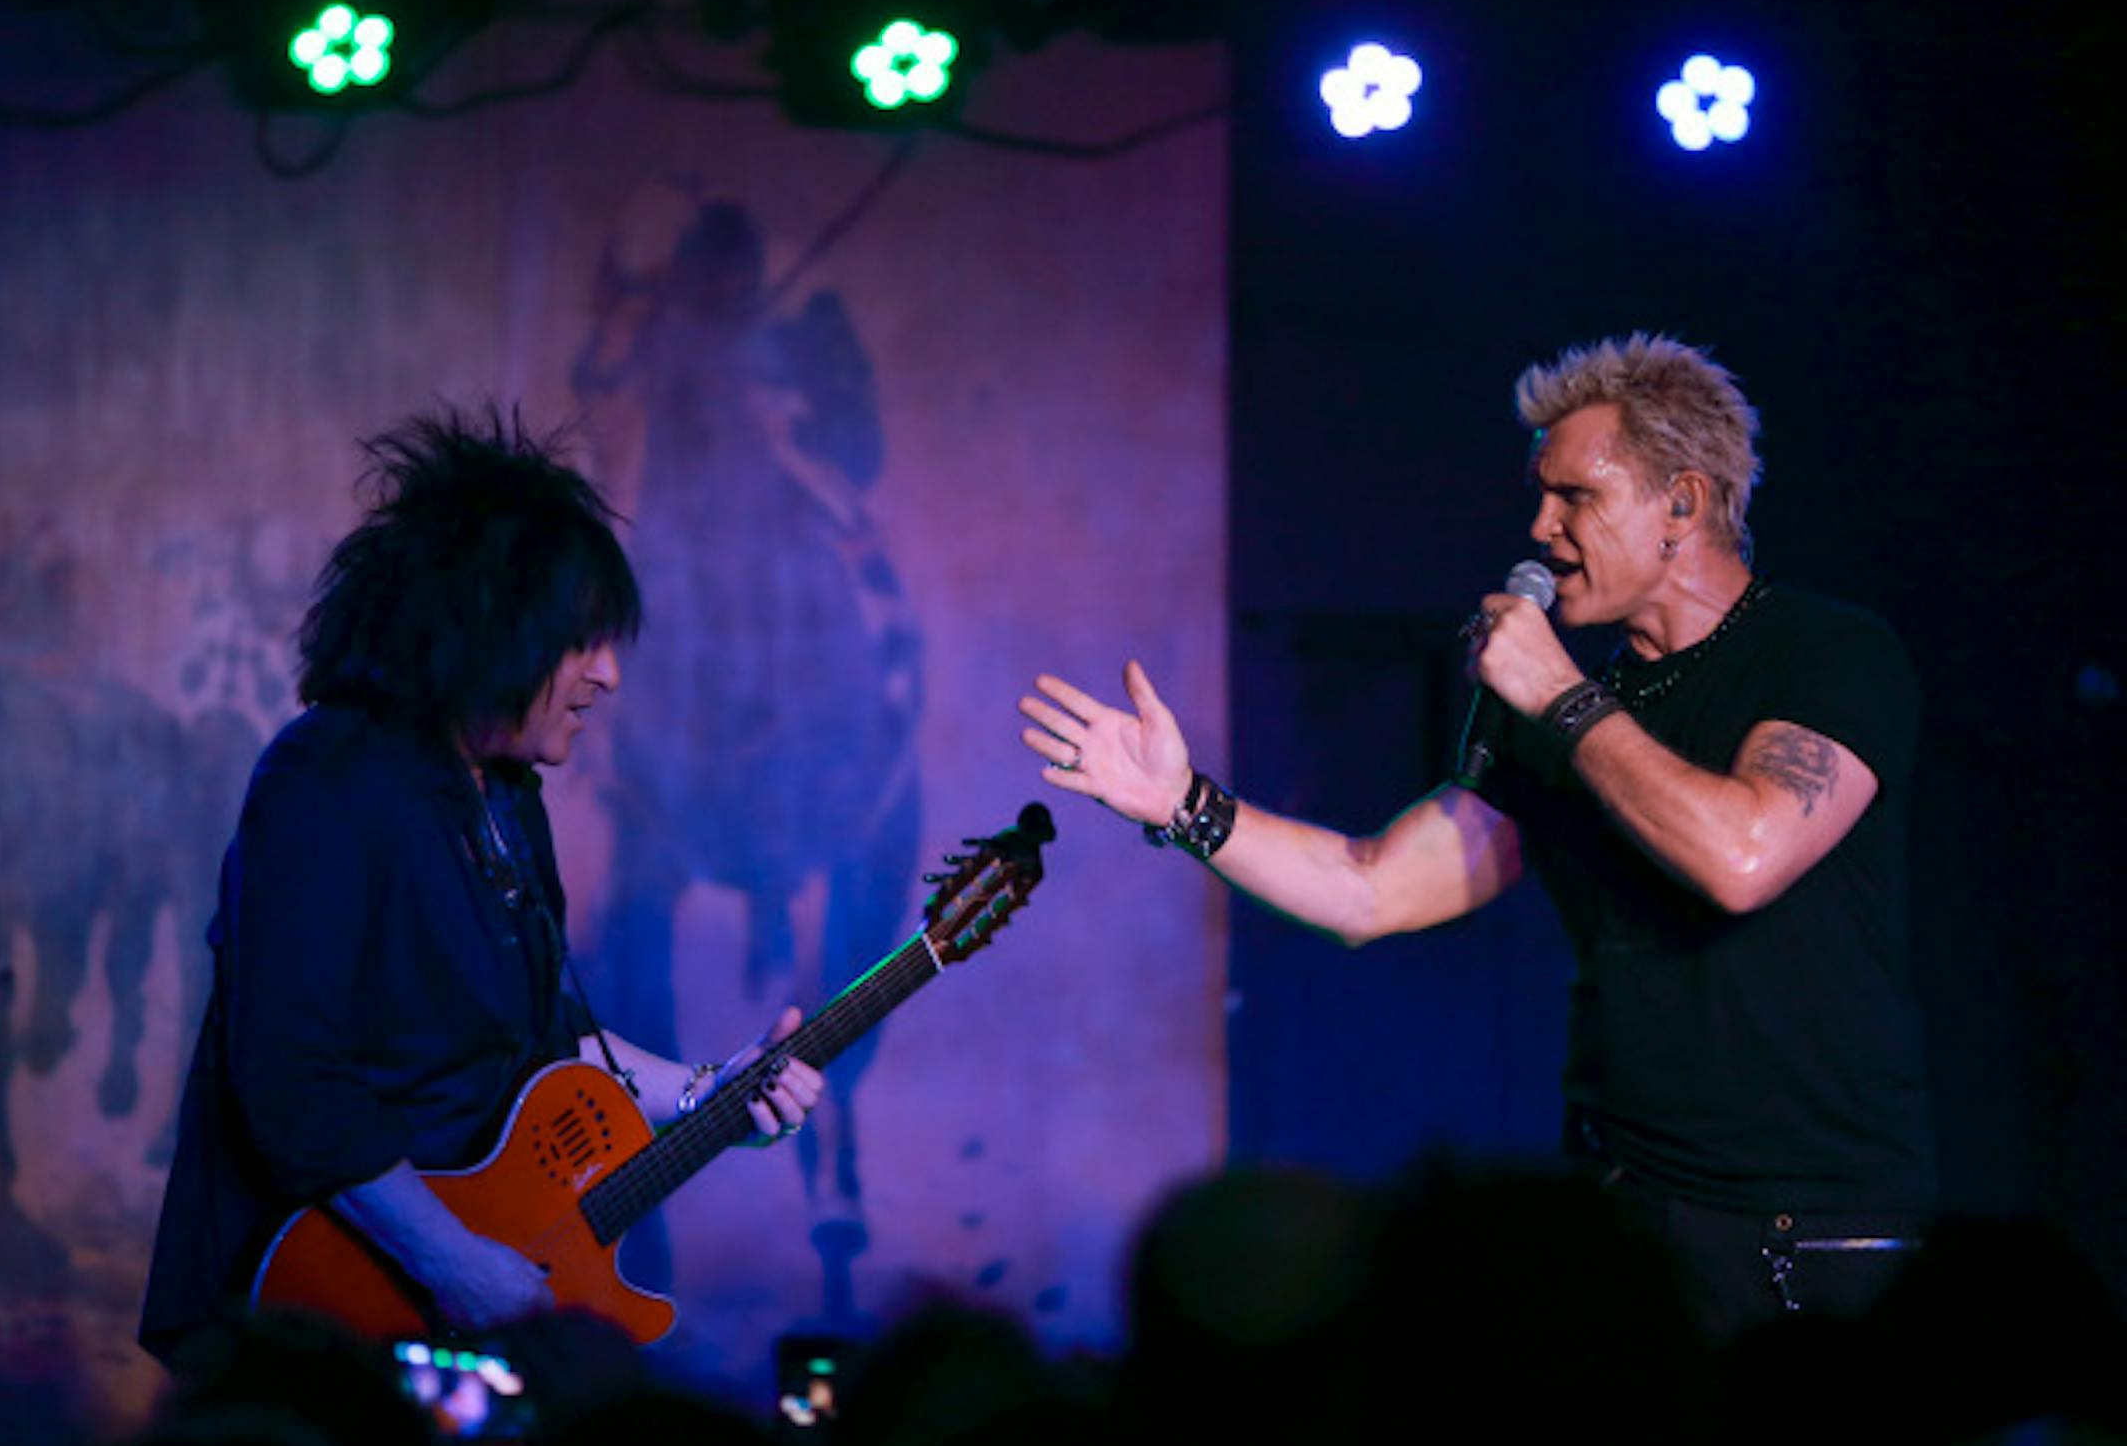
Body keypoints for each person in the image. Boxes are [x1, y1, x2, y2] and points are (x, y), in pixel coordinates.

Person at [1019, 335, 1933, 1341]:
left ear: (1682, 504)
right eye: (1540, 495)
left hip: (1811, 1229)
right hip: (1624, 1212)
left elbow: (1742, 857)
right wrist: (1187, 803)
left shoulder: (1823, 651)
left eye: (1575, 496)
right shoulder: (1550, 710)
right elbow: (1371, 891)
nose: (1539, 526)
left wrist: (1560, 695)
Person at [141, 409, 824, 1363]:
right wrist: (454, 1260)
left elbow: (553, 1035)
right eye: (583, 642)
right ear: (494, 630)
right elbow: (293, 1080)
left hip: (455, 1281)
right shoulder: (329, 780)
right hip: (315, 1298)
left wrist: (715, 1091)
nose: (610, 674)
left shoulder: (505, 793)